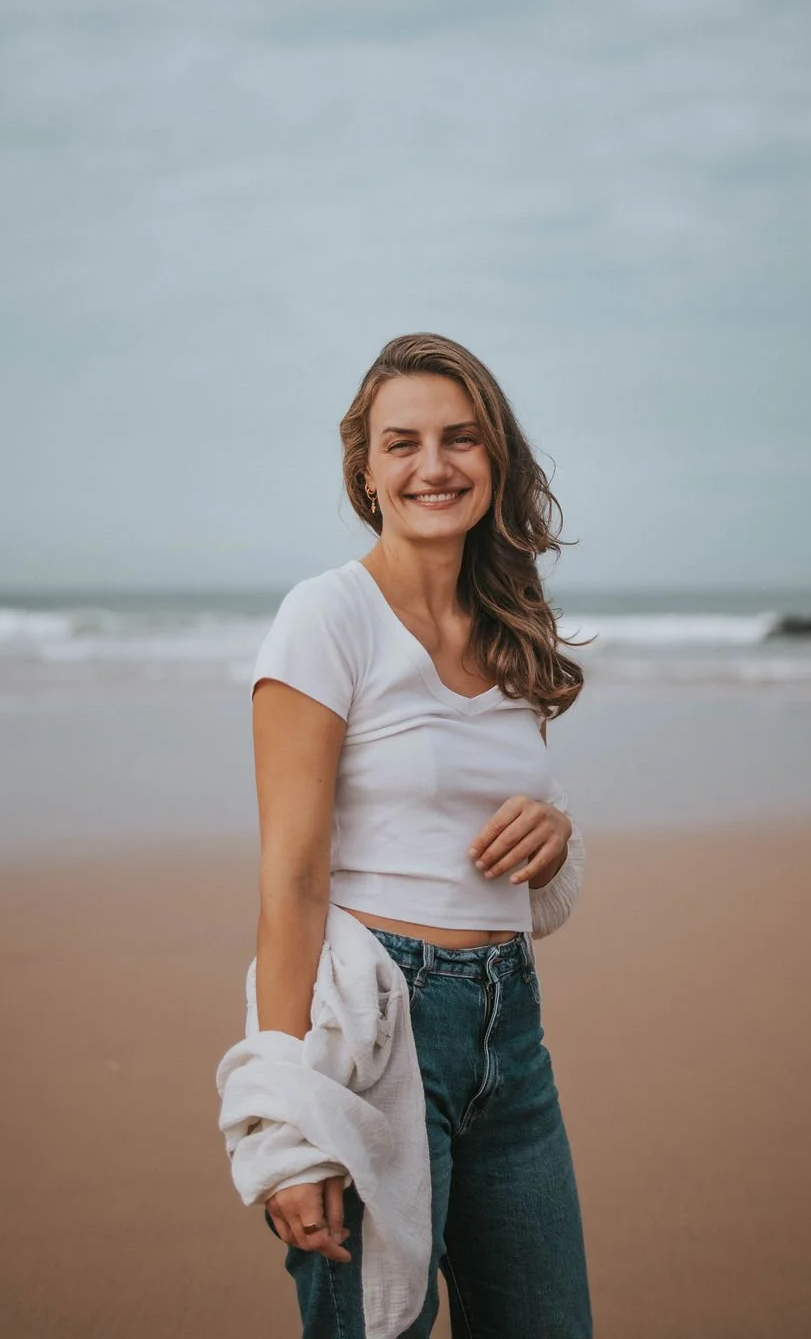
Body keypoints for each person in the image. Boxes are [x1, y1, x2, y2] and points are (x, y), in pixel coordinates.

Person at [250, 332, 593, 1337]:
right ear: (365, 467)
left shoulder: (512, 625)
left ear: (497, 458)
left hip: (510, 1031)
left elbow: (536, 882)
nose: (433, 467)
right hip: (373, 1031)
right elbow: (290, 880)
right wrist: (286, 1123)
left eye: (460, 440)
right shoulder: (326, 617)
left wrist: (557, 836)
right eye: (402, 443)